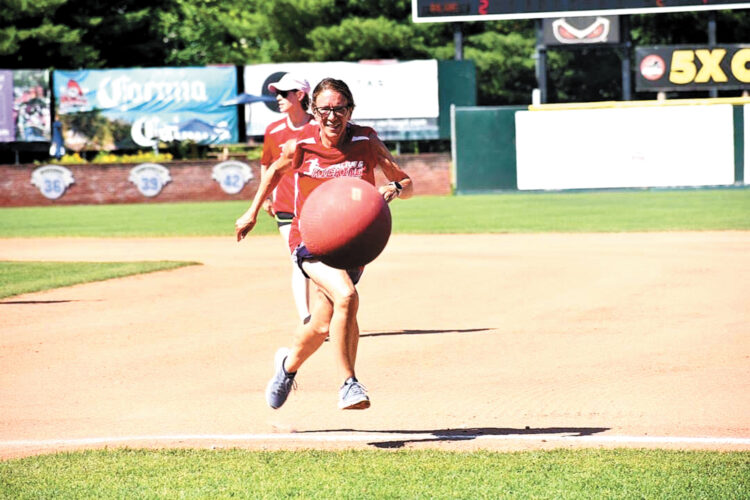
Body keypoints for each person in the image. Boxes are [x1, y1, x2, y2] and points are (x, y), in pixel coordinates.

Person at [235, 77, 413, 410]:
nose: (333, 116)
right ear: (314, 111)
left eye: (340, 109)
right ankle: (349, 384)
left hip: (352, 243)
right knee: (346, 295)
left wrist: (395, 189)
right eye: (325, 109)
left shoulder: (366, 140)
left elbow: (405, 182)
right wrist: (252, 212)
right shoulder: (301, 144)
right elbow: (274, 171)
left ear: (351, 110)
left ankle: (287, 367)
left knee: (320, 324)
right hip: (310, 238)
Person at [261, 73, 315, 321]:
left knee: (323, 261)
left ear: (300, 95)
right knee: (298, 259)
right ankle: (306, 318)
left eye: (284, 93)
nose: (278, 98)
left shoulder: (318, 127)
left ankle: (327, 314)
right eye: (277, 94)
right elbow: (266, 164)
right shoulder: (273, 130)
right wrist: (266, 197)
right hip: (285, 206)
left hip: (316, 207)